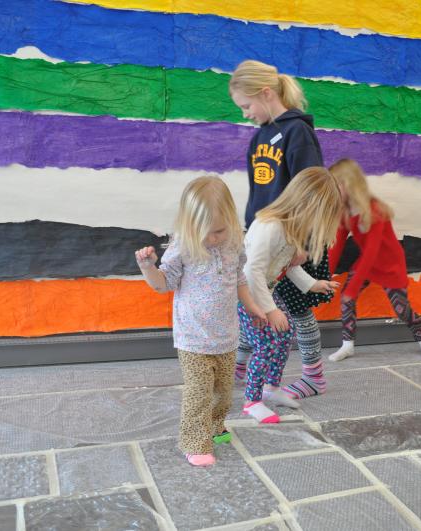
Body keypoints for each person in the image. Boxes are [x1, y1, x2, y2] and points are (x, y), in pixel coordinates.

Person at [135, 176, 265, 467]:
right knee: (199, 393)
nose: (214, 238)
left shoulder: (233, 240)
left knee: (223, 392)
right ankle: (194, 442)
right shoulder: (184, 245)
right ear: (190, 223)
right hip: (193, 337)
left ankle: (216, 426)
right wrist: (148, 267)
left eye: (219, 230)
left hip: (226, 335)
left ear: (230, 220)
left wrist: (254, 307)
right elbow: (163, 284)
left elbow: (239, 278)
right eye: (206, 232)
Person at [229, 59, 333, 399]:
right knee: (254, 300)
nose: (244, 113)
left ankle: (313, 375)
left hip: (293, 239)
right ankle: (245, 364)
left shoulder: (297, 132)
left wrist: (301, 242)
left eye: (246, 105)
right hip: (262, 235)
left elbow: (311, 189)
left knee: (297, 309)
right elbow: (259, 191)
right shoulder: (260, 136)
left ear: (265, 93)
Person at [239, 167, 342, 422]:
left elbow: (290, 264)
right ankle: (252, 400)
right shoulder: (270, 227)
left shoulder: (290, 228)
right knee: (264, 344)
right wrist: (270, 310)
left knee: (285, 335)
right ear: (306, 206)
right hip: (245, 296)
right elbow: (252, 271)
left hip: (265, 293)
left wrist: (313, 284)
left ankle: (271, 389)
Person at [326, 158, 421, 361]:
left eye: (336, 185)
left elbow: (372, 250)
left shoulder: (375, 209)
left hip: (389, 264)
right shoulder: (344, 212)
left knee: (401, 309)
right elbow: (337, 245)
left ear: (349, 184)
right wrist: (325, 275)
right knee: (346, 299)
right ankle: (347, 344)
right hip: (367, 264)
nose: (332, 190)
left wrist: (353, 289)